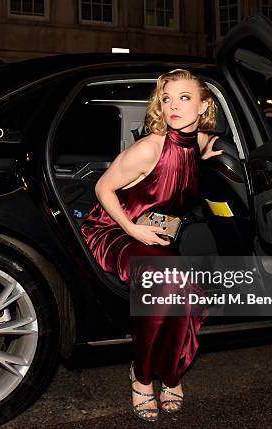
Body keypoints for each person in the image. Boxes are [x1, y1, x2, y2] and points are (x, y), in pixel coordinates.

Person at [79, 68, 223, 422]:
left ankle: (170, 372)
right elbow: (102, 188)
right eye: (167, 98)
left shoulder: (201, 142)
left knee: (183, 290)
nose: (173, 105)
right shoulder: (149, 148)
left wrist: (204, 160)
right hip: (114, 229)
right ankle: (143, 376)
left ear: (204, 105)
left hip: (155, 234)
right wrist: (131, 229)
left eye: (184, 98)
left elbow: (196, 153)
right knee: (166, 280)